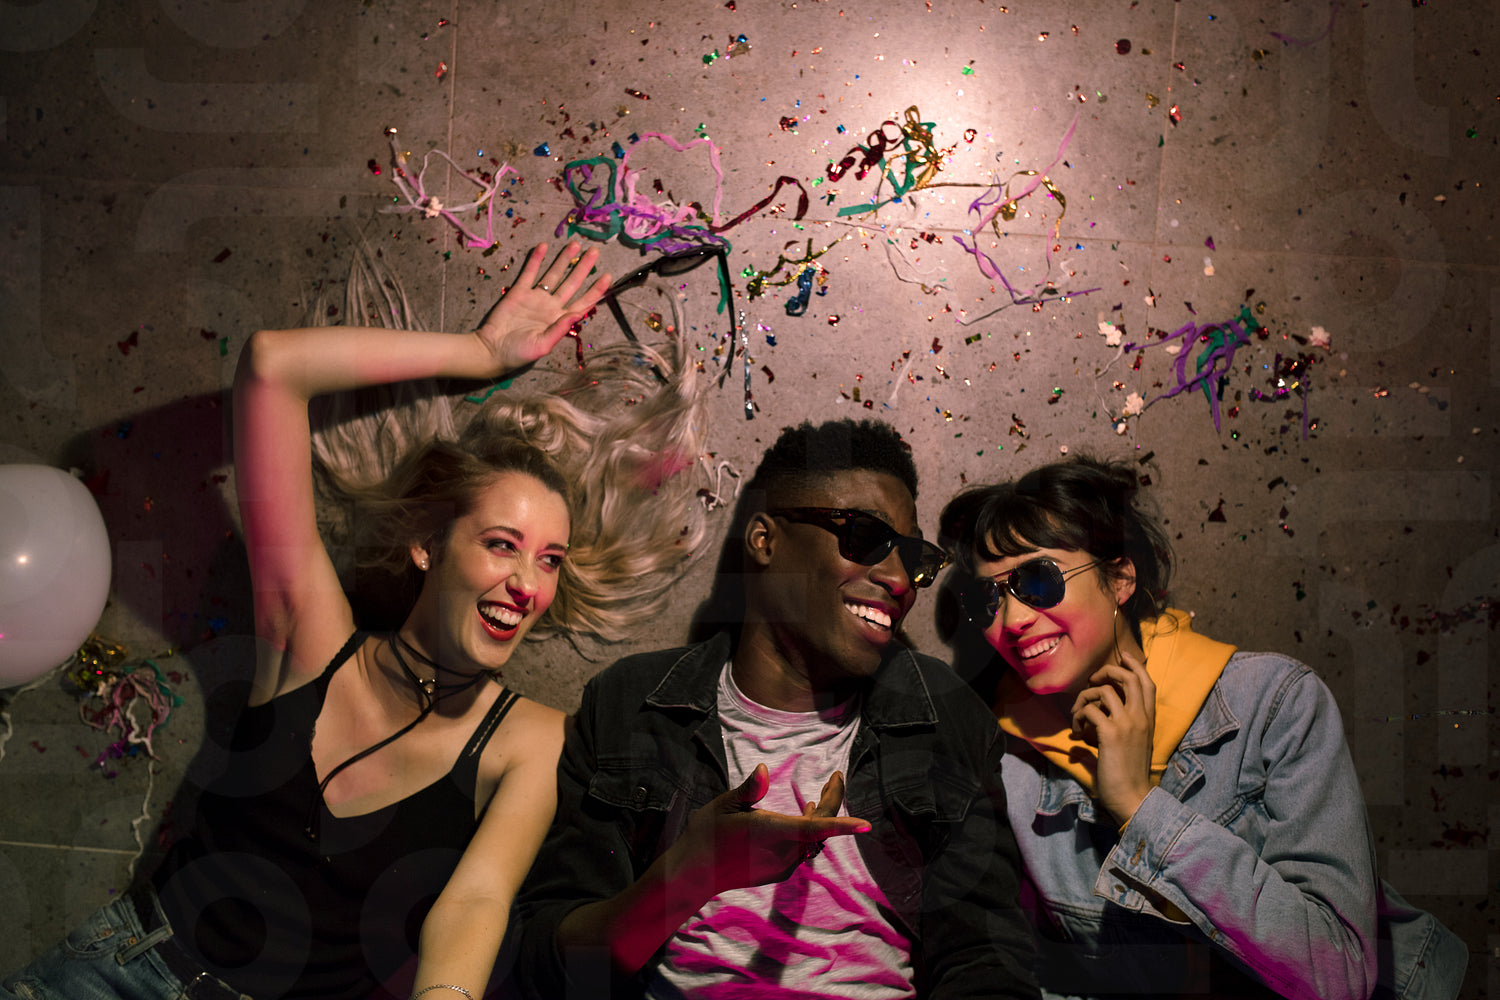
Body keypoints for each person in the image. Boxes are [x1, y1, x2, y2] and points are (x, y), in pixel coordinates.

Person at [2, 240, 714, 1000]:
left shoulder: (531, 741)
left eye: (549, 560)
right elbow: (272, 368)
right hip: (118, 973)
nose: (526, 583)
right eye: (502, 545)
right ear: (427, 545)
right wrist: (478, 352)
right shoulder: (309, 638)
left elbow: (473, 905)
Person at [515, 418, 1040, 999]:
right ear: (765, 540)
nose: (899, 580)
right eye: (865, 537)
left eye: (913, 558)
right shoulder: (632, 706)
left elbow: (987, 965)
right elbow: (551, 969)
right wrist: (690, 875)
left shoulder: (944, 718)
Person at [937, 455, 1468, 999]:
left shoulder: (1273, 703)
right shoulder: (1004, 761)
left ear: (1119, 579)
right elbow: (1037, 973)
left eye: (1037, 580)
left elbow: (1339, 975)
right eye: (989, 598)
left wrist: (1139, 806)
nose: (1013, 620)